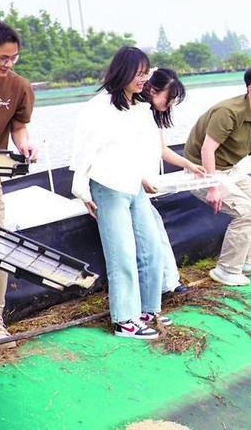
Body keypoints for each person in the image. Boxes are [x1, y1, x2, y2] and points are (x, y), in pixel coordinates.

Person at [71, 46, 167, 339]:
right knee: (122, 254)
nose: (143, 79)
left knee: (152, 248)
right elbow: (83, 149)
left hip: (133, 185)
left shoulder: (138, 107)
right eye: (139, 73)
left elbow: (140, 149)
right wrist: (82, 190)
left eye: (146, 73)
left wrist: (145, 177)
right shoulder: (98, 107)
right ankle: (125, 319)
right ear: (123, 72)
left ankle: (148, 311)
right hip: (108, 186)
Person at [184, 65, 251, 287]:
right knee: (247, 211)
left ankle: (250, 261)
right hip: (201, 170)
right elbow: (207, 150)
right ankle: (226, 269)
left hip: (229, 170)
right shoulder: (228, 112)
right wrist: (212, 187)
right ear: (250, 89)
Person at [140, 68, 206, 296]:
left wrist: (189, 164)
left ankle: (169, 283)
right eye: (168, 99)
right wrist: (140, 178)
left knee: (155, 231)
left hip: (143, 187)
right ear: (152, 89)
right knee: (151, 234)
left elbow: (162, 150)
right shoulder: (133, 114)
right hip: (132, 185)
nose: (169, 105)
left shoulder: (150, 116)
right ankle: (165, 284)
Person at [0, 22, 37, 349]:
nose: (7, 64)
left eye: (13, 58)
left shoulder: (19, 87)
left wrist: (24, 146)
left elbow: (18, 128)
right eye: (1, 58)